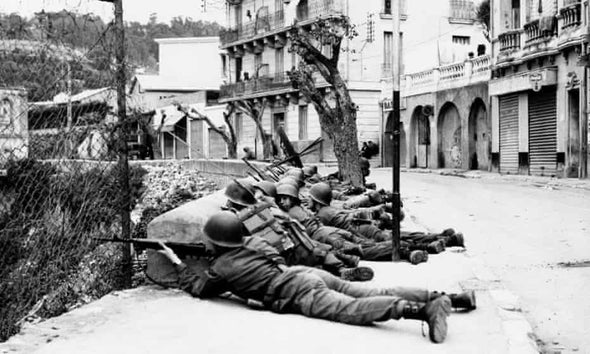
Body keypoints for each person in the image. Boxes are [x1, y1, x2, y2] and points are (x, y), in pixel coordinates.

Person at [157, 211, 473, 343]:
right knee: (369, 291)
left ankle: (421, 310)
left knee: (352, 310)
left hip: (295, 291)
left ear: (216, 243)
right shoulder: (252, 242)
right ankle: (444, 297)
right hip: (303, 272)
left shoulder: (224, 268)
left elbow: (201, 288)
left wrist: (179, 265)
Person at [224, 179, 373, 281]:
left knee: (306, 269)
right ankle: (342, 264)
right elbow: (289, 222)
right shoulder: (267, 209)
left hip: (281, 254)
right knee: (318, 252)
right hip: (300, 242)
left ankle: (338, 268)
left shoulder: (238, 219)